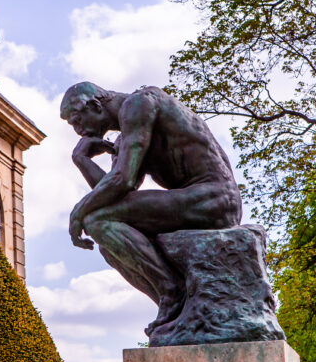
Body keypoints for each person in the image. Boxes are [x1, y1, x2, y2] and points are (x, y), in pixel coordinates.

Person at [61, 82, 242, 333]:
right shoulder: (126, 135)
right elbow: (117, 192)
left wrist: (78, 212)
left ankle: (173, 291)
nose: (79, 131)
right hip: (195, 199)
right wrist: (80, 160)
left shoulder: (140, 104)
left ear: (95, 105)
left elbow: (121, 181)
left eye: (77, 121)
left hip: (216, 198)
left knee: (96, 221)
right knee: (108, 241)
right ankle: (173, 306)